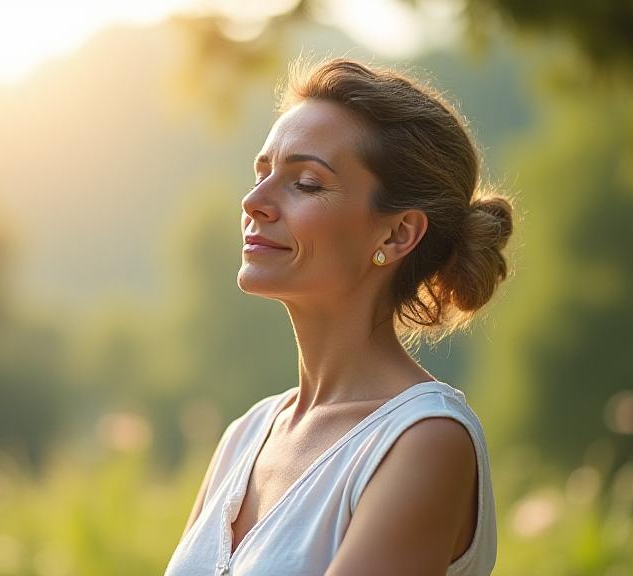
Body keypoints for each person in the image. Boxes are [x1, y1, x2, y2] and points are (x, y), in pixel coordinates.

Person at [165, 57, 513, 576]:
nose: (254, 201)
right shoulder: (246, 434)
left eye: (305, 183)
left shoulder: (422, 440)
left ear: (396, 235)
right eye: (262, 173)